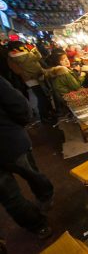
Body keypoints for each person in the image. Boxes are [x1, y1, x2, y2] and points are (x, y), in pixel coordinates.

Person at [0, 76, 53, 239]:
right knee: (31, 174)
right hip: (10, 141)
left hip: (10, 139)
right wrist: (18, 125)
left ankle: (38, 226)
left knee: (9, 197)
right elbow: (19, 105)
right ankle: (45, 198)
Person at [7, 41, 56, 123]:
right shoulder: (12, 58)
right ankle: (44, 116)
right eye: (22, 46)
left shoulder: (21, 54)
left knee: (45, 95)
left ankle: (49, 112)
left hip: (36, 76)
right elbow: (18, 71)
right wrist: (30, 74)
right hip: (32, 79)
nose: (23, 47)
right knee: (41, 97)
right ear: (16, 48)